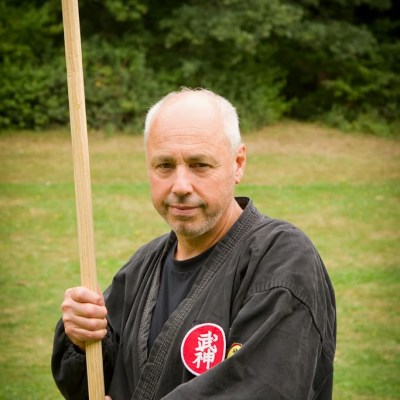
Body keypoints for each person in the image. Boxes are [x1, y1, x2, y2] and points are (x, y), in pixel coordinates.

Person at [52, 88, 336, 400]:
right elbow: (94, 386)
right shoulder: (142, 266)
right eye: (164, 165)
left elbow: (259, 388)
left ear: (238, 163)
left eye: (199, 164)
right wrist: (81, 337)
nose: (181, 186)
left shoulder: (282, 259)